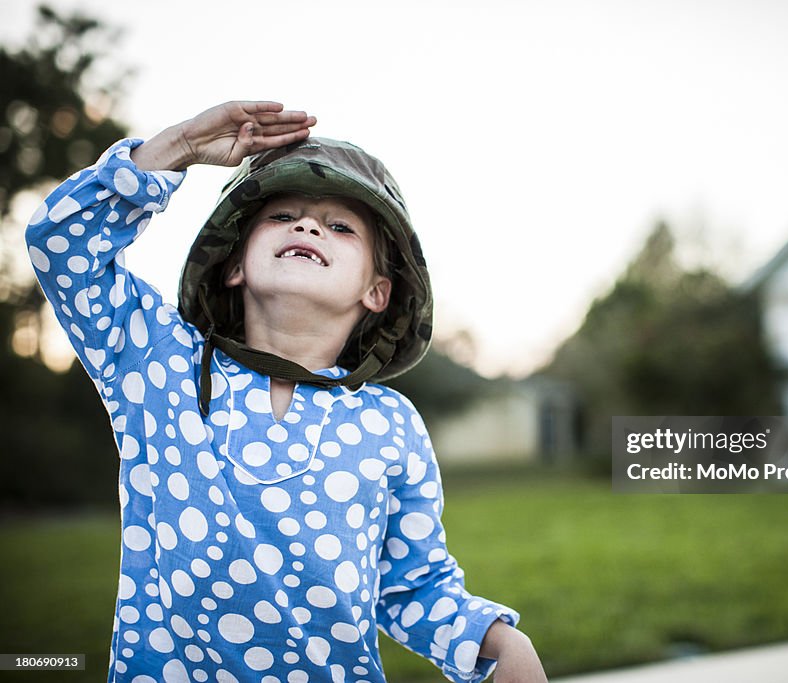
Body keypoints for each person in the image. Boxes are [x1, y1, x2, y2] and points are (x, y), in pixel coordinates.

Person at [26, 101, 547, 683]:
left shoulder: (390, 423)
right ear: (234, 266)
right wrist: (178, 148)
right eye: (282, 216)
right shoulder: (156, 361)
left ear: (377, 291)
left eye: (341, 226)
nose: (307, 226)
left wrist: (498, 641)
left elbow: (412, 589)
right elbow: (62, 245)